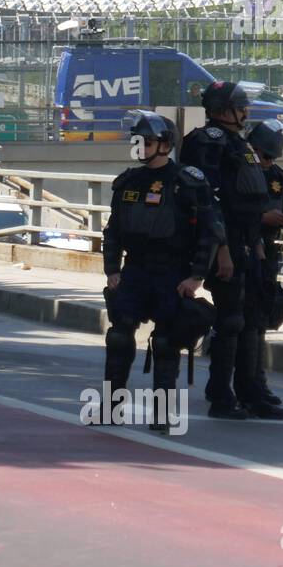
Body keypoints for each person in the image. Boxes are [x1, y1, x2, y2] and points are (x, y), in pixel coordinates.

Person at [102, 111, 221, 431]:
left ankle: (162, 415)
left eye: (147, 141)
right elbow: (112, 230)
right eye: (137, 141)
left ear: (166, 145)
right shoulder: (128, 181)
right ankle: (110, 408)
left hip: (172, 272)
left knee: (167, 343)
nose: (140, 146)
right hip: (135, 270)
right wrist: (112, 270)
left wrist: (196, 276)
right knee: (118, 336)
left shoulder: (186, 182)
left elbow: (208, 233)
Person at [181, 81, 283, 420]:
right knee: (230, 319)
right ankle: (220, 395)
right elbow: (209, 199)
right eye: (240, 105)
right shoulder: (206, 142)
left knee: (252, 317)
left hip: (246, 240)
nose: (245, 111)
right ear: (222, 109)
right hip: (222, 242)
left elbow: (248, 200)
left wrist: (255, 242)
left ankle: (250, 390)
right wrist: (223, 248)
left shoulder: (237, 143)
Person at [246, 119, 283, 408]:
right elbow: (228, 210)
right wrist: (260, 218)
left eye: (271, 157)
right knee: (243, 323)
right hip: (243, 248)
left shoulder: (278, 176)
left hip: (268, 250)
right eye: (264, 155)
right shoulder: (239, 171)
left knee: (261, 321)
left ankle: (257, 383)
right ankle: (241, 385)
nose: (267, 162)